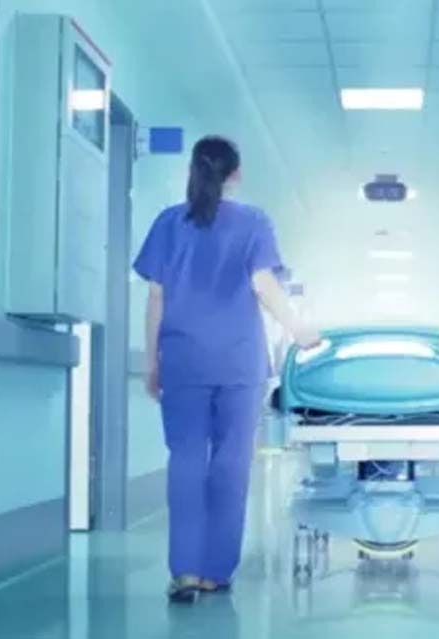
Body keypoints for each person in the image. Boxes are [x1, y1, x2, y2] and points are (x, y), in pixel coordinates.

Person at [133, 136, 319, 603]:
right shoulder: (254, 221)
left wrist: (151, 361)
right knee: (232, 462)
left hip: (183, 360)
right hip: (238, 361)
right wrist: (299, 330)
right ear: (236, 173)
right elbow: (263, 284)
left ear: (194, 171)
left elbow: (155, 298)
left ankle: (185, 570)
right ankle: (217, 571)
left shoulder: (168, 222)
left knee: (185, 460)